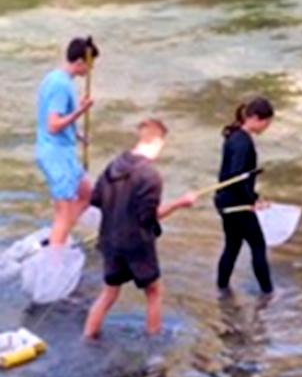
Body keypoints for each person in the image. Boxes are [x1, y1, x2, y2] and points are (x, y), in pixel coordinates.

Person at [83, 119, 196, 339]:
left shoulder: (113, 165)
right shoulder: (151, 176)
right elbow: (148, 218)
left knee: (109, 293)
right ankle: (153, 341)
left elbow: (95, 199)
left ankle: (88, 336)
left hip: (109, 240)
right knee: (154, 292)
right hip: (136, 244)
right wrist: (179, 203)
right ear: (156, 141)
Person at [36, 36, 99, 247]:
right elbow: (53, 125)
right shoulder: (60, 86)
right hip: (56, 155)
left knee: (87, 193)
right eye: (89, 65)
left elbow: (56, 117)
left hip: (63, 151)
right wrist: (81, 111)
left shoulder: (55, 78)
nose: (89, 71)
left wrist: (77, 133)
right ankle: (55, 254)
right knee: (64, 212)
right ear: (80, 62)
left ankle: (58, 234)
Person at [215, 97, 275, 295]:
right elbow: (237, 176)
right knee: (258, 245)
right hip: (237, 205)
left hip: (225, 201)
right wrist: (251, 200)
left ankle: (222, 287)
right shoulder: (243, 142)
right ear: (256, 118)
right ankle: (268, 292)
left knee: (232, 245)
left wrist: (254, 196)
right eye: (267, 123)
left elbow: (237, 177)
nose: (266, 127)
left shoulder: (234, 136)